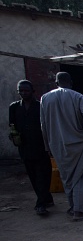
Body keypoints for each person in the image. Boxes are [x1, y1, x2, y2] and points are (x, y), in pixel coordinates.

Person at [40, 72, 83, 222]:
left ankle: (73, 207)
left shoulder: (45, 99)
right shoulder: (78, 97)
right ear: (70, 81)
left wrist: (48, 146)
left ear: (56, 82)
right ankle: (79, 211)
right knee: (80, 176)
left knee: (67, 176)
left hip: (57, 144)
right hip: (78, 142)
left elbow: (43, 125)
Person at [8, 80, 53, 216]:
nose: (23, 93)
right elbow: (12, 125)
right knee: (33, 175)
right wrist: (13, 136)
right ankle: (45, 200)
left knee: (43, 175)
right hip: (25, 147)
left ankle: (41, 203)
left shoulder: (40, 106)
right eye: (20, 91)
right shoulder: (15, 107)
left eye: (26, 90)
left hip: (40, 146)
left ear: (32, 91)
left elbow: (47, 126)